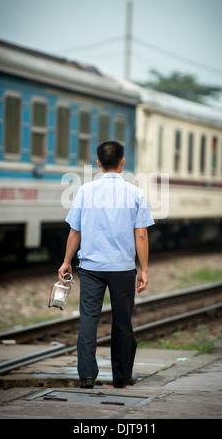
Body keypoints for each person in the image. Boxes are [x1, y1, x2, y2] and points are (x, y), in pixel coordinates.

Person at [58, 141, 154, 388]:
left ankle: (87, 377)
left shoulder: (85, 191)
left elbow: (75, 232)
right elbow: (141, 235)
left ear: (98, 163)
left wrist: (67, 262)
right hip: (122, 268)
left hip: (91, 268)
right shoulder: (135, 194)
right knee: (123, 322)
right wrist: (143, 269)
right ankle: (121, 378)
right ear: (123, 162)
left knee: (88, 320)